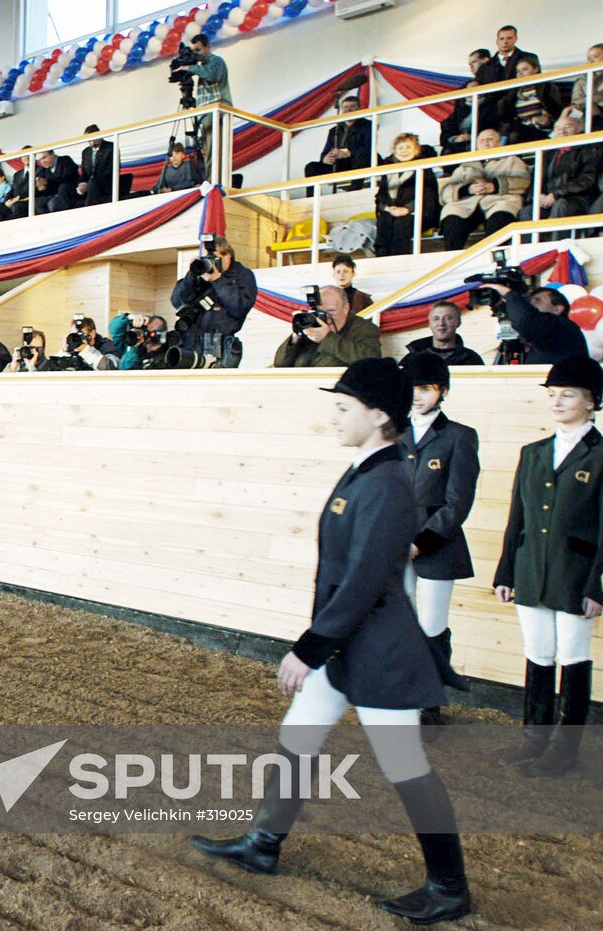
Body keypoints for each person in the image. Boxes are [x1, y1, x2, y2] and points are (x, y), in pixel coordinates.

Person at [190, 358, 471, 927]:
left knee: (403, 763)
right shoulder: (366, 471)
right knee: (299, 733)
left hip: (377, 651)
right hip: (346, 647)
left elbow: (366, 579)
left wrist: (310, 647)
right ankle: (263, 844)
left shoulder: (390, 484)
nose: (334, 417)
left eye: (345, 408)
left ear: (381, 415)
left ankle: (449, 886)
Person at [493, 357, 603, 777]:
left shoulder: (600, 455)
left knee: (572, 656)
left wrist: (598, 585)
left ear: (591, 402)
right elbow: (516, 517)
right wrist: (506, 572)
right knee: (538, 652)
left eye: (568, 394)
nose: (557, 401)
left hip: (576, 574)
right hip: (530, 569)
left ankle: (564, 750)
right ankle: (534, 740)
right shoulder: (533, 452)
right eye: (552, 394)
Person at [399, 353, 480, 732]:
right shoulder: (394, 431)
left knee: (432, 625)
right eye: (413, 388)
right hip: (395, 542)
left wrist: (421, 541)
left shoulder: (458, 436)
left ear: (441, 391)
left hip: (436, 544)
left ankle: (429, 703)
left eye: (426, 388)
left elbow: (457, 501)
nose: (418, 396)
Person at [168, 236, 257, 368]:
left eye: (214, 258)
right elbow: (177, 301)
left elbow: (239, 307)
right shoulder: (200, 274)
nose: (210, 262)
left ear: (227, 256)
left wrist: (218, 280)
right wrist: (192, 275)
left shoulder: (242, 275)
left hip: (219, 344)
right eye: (206, 258)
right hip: (190, 341)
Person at [438, 128, 531, 250]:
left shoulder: (512, 160)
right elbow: (446, 191)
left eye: (490, 139)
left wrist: (495, 186)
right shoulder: (466, 164)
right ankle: (451, 258)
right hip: (467, 203)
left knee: (499, 220)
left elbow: (523, 181)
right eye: (482, 141)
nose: (486, 143)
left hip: (500, 200)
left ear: (499, 143)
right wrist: (468, 189)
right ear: (476, 145)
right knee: (452, 219)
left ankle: (493, 258)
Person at [273, 285, 382, 368]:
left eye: (331, 311)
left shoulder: (364, 328)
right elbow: (279, 364)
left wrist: (327, 338)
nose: (326, 317)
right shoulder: (313, 325)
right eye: (320, 312)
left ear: (346, 308)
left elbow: (373, 362)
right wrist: (295, 337)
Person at [518, 115, 599, 225]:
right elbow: (537, 178)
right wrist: (537, 196)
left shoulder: (588, 149)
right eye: (558, 129)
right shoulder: (548, 152)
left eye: (568, 127)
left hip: (577, 198)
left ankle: (557, 242)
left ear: (580, 129)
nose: (562, 132)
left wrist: (556, 194)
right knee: (527, 211)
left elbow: (586, 180)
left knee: (561, 205)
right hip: (550, 198)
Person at [489, 282, 589, 364]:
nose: (531, 305)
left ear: (557, 309)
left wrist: (506, 292)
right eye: (529, 302)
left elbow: (525, 320)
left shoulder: (562, 325)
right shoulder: (540, 335)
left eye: (538, 301)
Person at [374, 133, 440, 257]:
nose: (404, 151)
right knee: (384, 220)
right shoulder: (387, 169)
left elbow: (428, 196)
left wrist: (407, 209)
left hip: (418, 213)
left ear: (416, 150)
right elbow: (380, 196)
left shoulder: (424, 169)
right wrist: (388, 208)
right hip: (393, 212)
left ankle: (399, 259)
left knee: (401, 222)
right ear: (394, 151)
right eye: (400, 148)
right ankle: (382, 258)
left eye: (408, 147)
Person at [172, 33, 231, 165]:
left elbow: (211, 75)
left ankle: (215, 184)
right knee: (207, 155)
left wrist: (189, 67)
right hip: (205, 115)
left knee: (215, 154)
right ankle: (209, 182)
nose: (196, 54)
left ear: (208, 47)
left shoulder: (216, 61)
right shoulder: (201, 68)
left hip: (217, 112)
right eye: (194, 51)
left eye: (198, 50)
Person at [304, 95, 372, 192]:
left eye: (352, 106)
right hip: (340, 165)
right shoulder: (334, 130)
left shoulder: (368, 125)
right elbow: (324, 153)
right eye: (345, 107)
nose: (348, 110)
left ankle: (354, 191)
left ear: (359, 108)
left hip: (358, 164)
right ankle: (312, 198)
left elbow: (369, 148)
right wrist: (325, 158)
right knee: (311, 167)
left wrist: (348, 153)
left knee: (362, 156)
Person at [498, 58, 564, 144]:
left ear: (535, 69)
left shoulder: (546, 87)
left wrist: (547, 120)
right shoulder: (514, 92)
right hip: (521, 128)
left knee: (515, 135)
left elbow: (557, 111)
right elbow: (507, 116)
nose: (520, 74)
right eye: (518, 71)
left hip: (542, 129)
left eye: (525, 69)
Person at [401, 302, 486, 366]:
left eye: (448, 318)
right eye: (436, 319)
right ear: (429, 324)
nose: (441, 323)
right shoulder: (412, 358)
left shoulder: (471, 359)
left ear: (458, 322)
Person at [78, 125, 115, 207]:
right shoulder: (85, 152)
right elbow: (84, 172)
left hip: (106, 184)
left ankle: (87, 210)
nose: (92, 142)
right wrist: (82, 184)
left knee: (93, 182)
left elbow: (111, 170)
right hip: (90, 185)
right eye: (89, 140)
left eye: (94, 139)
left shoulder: (111, 147)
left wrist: (91, 183)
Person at [569, 43, 603, 124]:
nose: (591, 61)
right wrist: (595, 98)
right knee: (571, 115)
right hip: (587, 110)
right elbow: (576, 102)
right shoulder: (582, 80)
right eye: (588, 59)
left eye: (596, 57)